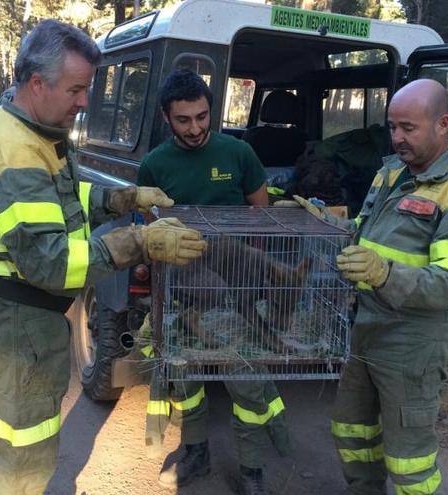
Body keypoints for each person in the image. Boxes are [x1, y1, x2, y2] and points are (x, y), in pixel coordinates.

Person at [0, 20, 206, 495]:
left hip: (22, 315)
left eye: (87, 88)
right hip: (15, 320)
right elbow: (49, 263)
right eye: (77, 88)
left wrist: (123, 199)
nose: (85, 101)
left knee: (28, 445)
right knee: (21, 457)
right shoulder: (15, 153)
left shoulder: (36, 130)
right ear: (36, 83)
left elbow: (64, 197)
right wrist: (142, 242)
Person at [301, 79, 448, 494]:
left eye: (408, 127)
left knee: (410, 460)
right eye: (392, 127)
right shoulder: (391, 172)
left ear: (442, 124)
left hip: (413, 342)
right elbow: (363, 235)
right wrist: (317, 219)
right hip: (367, 327)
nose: (397, 137)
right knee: (352, 432)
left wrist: (383, 274)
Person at [137, 69, 291, 495]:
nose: (195, 128)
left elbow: (261, 217)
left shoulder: (238, 154)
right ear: (167, 118)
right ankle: (196, 452)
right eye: (183, 120)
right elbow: (149, 234)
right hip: (182, 288)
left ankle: (252, 469)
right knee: (185, 380)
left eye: (202, 117)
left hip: (234, 286)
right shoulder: (154, 165)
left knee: (247, 379)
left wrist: (253, 278)